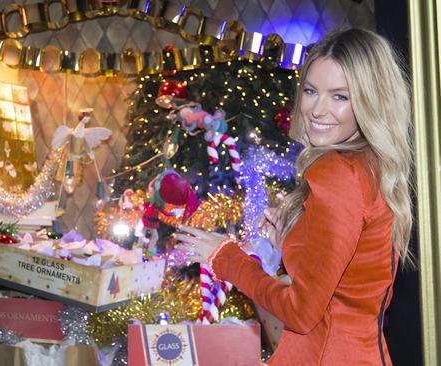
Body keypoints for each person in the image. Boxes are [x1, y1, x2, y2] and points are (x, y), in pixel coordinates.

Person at [175, 28, 412, 366]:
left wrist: (224, 257)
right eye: (312, 91)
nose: (317, 109)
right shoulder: (370, 167)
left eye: (340, 96)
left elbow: (302, 313)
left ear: (370, 100)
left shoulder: (337, 174)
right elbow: (349, 281)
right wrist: (293, 241)